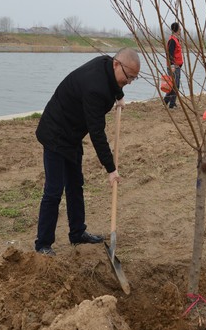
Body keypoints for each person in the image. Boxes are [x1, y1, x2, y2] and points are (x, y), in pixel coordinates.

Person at [34, 48, 141, 255]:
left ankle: (77, 233)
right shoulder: (95, 88)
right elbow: (97, 133)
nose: (129, 82)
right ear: (116, 64)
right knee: (54, 190)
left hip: (72, 133)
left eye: (133, 79)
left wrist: (119, 95)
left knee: (75, 185)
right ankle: (43, 244)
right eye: (128, 78)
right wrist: (111, 169)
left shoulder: (106, 63)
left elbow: (114, 82)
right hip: (55, 132)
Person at [163, 22, 183, 109]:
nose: (181, 30)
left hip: (177, 66)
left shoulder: (175, 39)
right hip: (174, 67)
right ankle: (169, 103)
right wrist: (172, 66)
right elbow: (170, 54)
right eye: (180, 29)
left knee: (175, 85)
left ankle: (169, 102)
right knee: (174, 85)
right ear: (177, 30)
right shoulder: (172, 40)